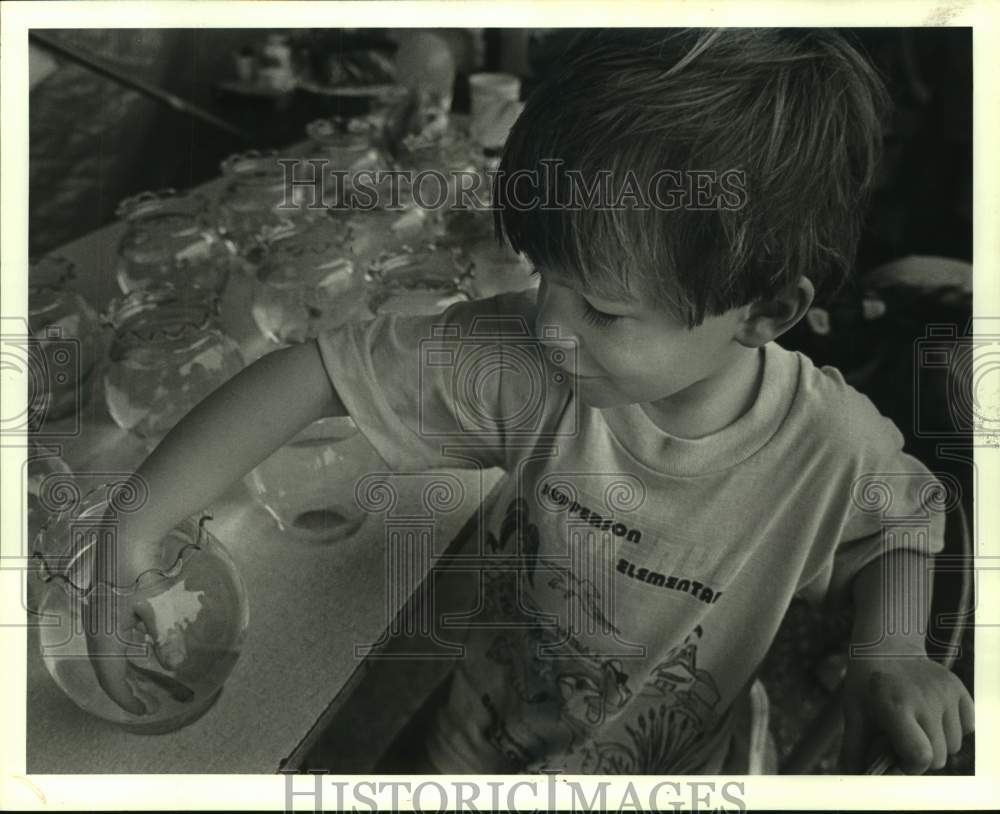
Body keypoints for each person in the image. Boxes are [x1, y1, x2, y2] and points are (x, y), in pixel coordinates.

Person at [85, 29, 974, 774]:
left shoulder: (829, 445)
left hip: (681, 764)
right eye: (547, 276)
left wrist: (889, 647)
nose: (551, 323)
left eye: (603, 307)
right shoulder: (532, 360)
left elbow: (900, 522)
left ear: (768, 310)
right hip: (479, 734)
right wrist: (132, 525)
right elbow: (317, 369)